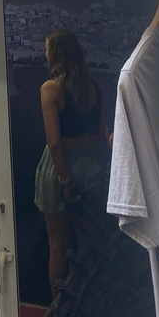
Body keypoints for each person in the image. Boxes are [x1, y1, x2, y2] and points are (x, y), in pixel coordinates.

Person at [34, 27, 108, 297]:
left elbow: (54, 142)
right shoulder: (94, 87)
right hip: (94, 167)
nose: (44, 54)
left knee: (58, 243)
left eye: (46, 49)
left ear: (55, 54)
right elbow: (101, 133)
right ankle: (91, 300)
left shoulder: (50, 89)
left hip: (61, 167)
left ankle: (60, 309)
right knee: (87, 241)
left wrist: (65, 181)